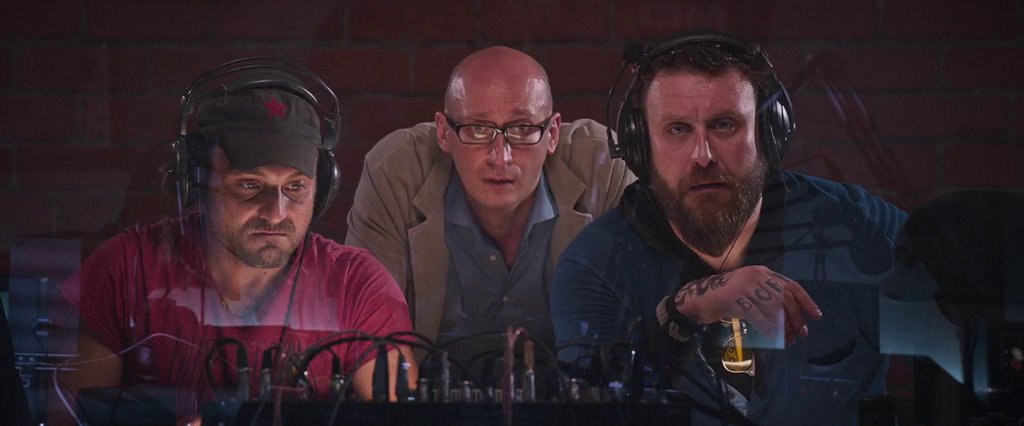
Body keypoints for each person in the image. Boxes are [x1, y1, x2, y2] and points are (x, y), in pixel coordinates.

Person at [550, 32, 906, 425]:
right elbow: (595, 403)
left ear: (768, 133)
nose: (702, 156)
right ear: (641, 146)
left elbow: (953, 318)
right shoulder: (596, 266)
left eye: (724, 125)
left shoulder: (859, 227)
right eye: (678, 130)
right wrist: (681, 313)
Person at [58, 58, 416, 419]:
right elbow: (70, 417)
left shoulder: (359, 287)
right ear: (197, 182)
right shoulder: (125, 270)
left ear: (322, 189)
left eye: (295, 187)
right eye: (249, 185)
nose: (276, 213)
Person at [345, 47, 634, 375]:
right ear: (443, 133)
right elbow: (372, 338)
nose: (501, 157)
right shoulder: (396, 171)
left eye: (522, 129)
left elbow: (640, 325)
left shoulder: (603, 166)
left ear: (553, 134)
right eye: (478, 129)